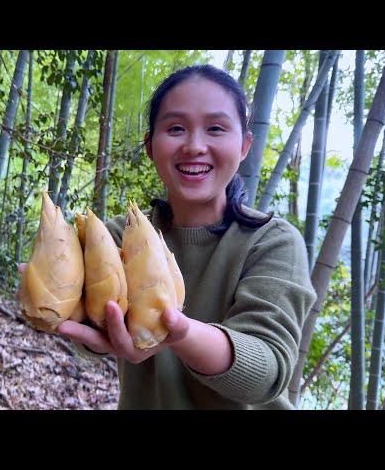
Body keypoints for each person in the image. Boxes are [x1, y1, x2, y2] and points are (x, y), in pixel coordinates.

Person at [22, 64, 317, 409]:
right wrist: (88, 329)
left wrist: (181, 333)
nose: (194, 146)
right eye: (176, 128)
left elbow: (267, 372)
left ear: (244, 146)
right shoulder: (115, 237)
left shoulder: (271, 241)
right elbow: (90, 319)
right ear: (150, 145)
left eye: (216, 128)